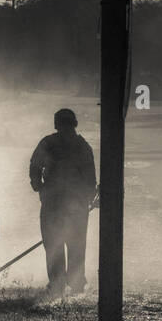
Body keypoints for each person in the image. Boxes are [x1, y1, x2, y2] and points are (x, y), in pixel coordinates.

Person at [29, 108, 96, 296]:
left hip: (53, 203)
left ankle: (58, 284)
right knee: (75, 244)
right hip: (75, 205)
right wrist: (89, 198)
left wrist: (38, 186)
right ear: (74, 124)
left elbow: (35, 166)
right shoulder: (82, 146)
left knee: (53, 244)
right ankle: (75, 284)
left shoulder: (48, 143)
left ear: (56, 124)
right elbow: (90, 178)